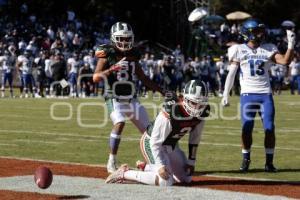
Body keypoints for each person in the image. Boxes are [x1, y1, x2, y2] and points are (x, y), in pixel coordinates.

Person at [221, 19, 295, 172]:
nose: (260, 34)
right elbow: (231, 73)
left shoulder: (268, 48)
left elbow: (286, 61)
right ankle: (246, 159)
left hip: (265, 95)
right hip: (247, 94)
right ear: (247, 33)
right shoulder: (239, 49)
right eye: (256, 31)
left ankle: (269, 163)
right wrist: (225, 94)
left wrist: (291, 45)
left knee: (269, 128)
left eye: (260, 31)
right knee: (246, 129)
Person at [105, 80, 210, 186]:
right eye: (193, 103)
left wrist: (191, 161)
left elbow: (195, 137)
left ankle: (146, 167)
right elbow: (155, 142)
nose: (196, 108)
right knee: (165, 181)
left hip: (170, 146)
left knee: (186, 177)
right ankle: (124, 173)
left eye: (201, 104)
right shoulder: (173, 109)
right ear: (185, 98)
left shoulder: (203, 112)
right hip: (151, 143)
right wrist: (160, 166)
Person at [93, 22, 164, 173]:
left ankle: (155, 162)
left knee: (150, 131)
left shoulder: (133, 54)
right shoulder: (107, 54)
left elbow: (143, 78)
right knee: (120, 122)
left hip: (131, 98)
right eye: (121, 39)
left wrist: (163, 91)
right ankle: (111, 161)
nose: (124, 42)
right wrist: (112, 68)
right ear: (113, 39)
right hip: (114, 97)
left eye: (127, 39)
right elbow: (95, 78)